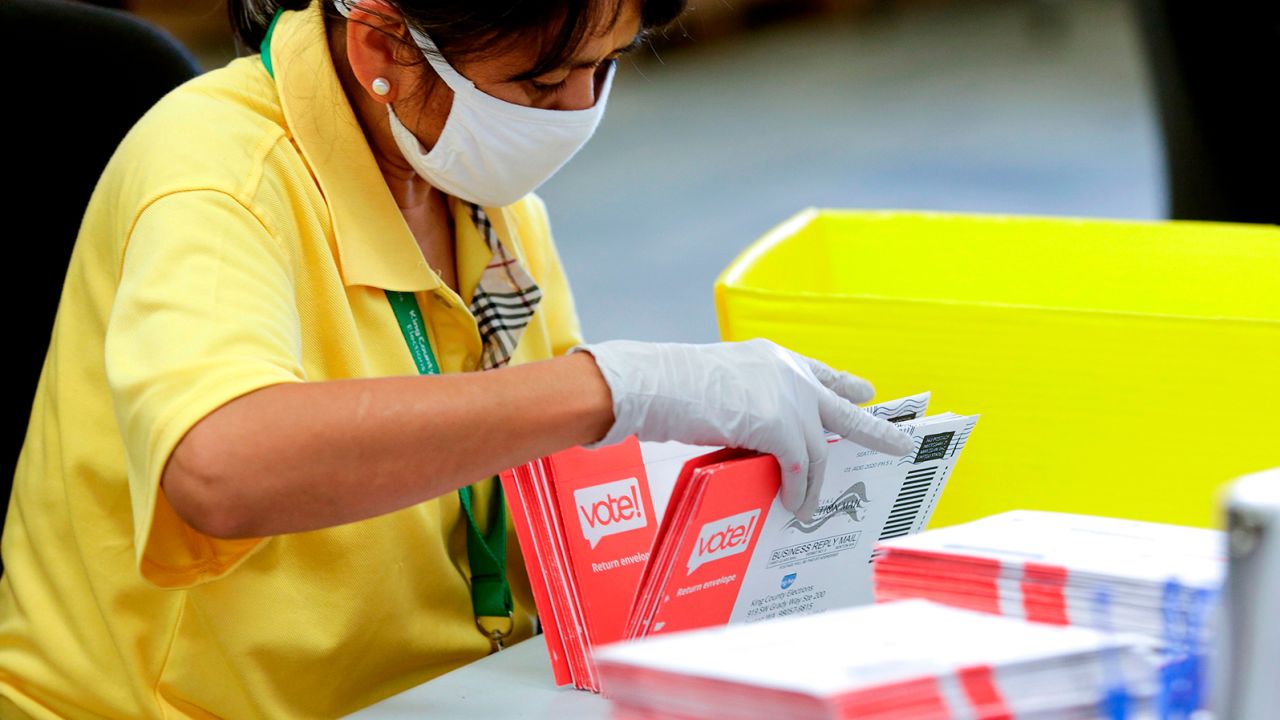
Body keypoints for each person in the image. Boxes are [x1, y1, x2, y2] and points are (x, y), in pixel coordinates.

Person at [0, 0, 912, 716]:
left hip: (435, 692)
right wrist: (613, 387)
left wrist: (730, 527)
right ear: (383, 47)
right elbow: (220, 466)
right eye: (542, 81)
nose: (578, 112)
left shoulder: (476, 190)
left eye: (604, 68)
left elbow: (545, 481)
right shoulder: (219, 176)